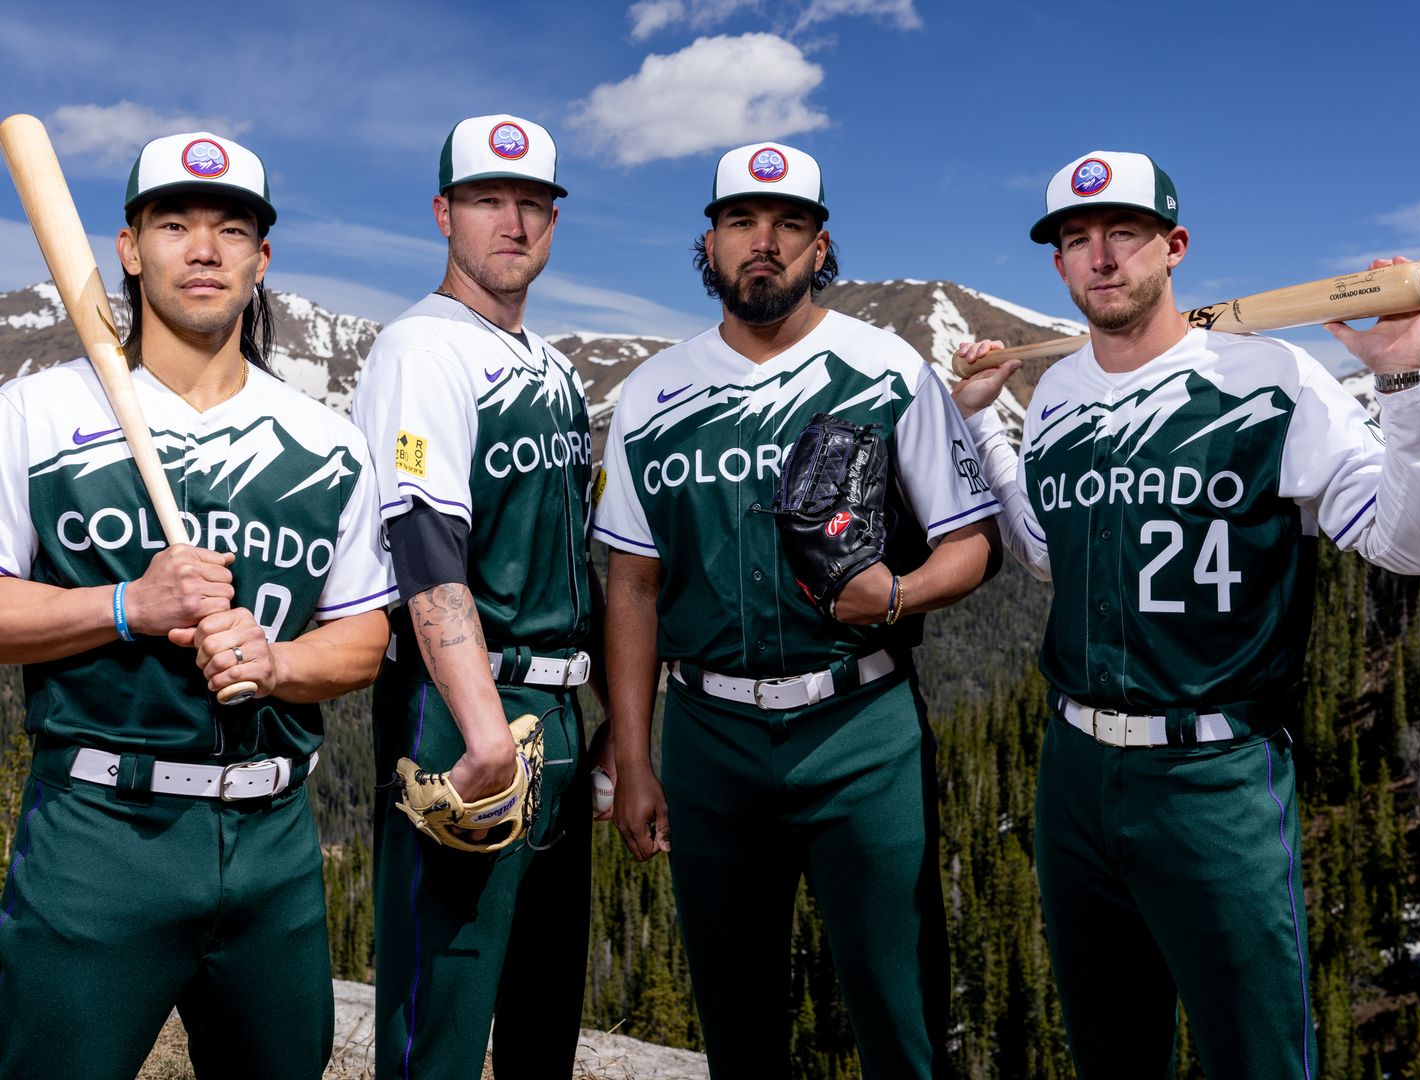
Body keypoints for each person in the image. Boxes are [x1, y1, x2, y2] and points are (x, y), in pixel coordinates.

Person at [952, 150, 1420, 1078]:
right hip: (1076, 772)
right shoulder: (1054, 392)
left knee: (1252, 1053)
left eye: (1123, 234)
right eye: (1076, 240)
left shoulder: (1272, 378)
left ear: (1173, 248)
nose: (1101, 257)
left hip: (1216, 773)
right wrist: (984, 423)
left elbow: (1411, 543)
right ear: (1058, 265)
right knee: (1110, 1049)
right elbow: (1049, 554)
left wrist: (1408, 382)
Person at [596, 141, 1002, 1078]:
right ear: (710, 243)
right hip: (709, 739)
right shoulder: (653, 392)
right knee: (736, 1024)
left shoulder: (887, 366)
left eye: (789, 225)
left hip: (861, 729)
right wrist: (634, 753)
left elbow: (971, 544)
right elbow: (633, 584)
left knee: (900, 1011)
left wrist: (897, 593)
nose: (763, 242)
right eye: (741, 222)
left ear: (823, 247)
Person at [0, 131, 393, 1079]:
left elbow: (367, 636)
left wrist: (280, 663)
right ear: (130, 250)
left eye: (231, 228)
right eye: (173, 223)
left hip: (273, 849)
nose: (204, 248)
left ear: (262, 259)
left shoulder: (327, 440)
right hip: (100, 836)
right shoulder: (35, 412)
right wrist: (127, 604)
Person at [351, 113, 608, 1080]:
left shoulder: (550, 366)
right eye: (487, 200)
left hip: (558, 704)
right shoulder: (424, 348)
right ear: (443, 214)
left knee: (544, 1008)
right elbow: (423, 546)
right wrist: (486, 732)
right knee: (442, 1021)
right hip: (466, 707)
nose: (513, 221)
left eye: (533, 203)